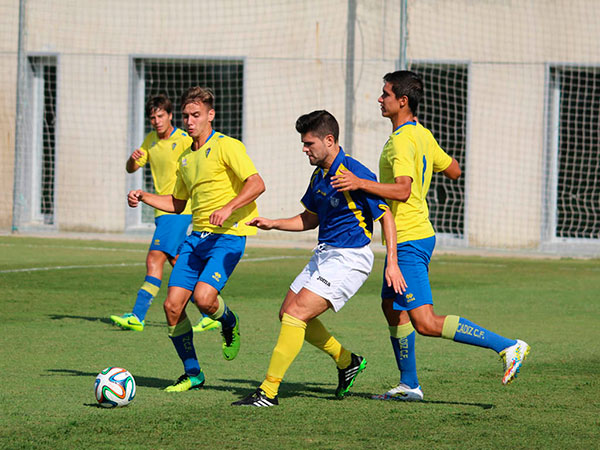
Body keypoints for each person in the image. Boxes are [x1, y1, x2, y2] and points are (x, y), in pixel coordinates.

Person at [331, 70, 530, 401]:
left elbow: (403, 190)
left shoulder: (402, 140)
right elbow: (454, 169)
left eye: (386, 94)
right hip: (416, 233)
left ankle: (508, 347)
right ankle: (409, 384)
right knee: (391, 307)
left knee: (424, 321)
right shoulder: (420, 134)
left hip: (408, 237)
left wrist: (359, 182)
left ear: (402, 101)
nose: (380, 99)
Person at [232, 110, 406, 407]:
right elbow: (309, 219)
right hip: (325, 254)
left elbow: (385, 216)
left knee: (296, 315)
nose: (304, 149)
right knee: (287, 311)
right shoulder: (319, 176)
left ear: (329, 140)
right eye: (303, 143)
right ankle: (347, 361)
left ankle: (268, 392)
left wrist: (392, 262)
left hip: (350, 257)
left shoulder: (353, 171)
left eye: (309, 143)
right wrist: (274, 222)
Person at [127, 86, 266, 391]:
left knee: (204, 299)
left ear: (210, 115)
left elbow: (257, 184)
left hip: (229, 236)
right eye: (187, 115)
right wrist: (144, 196)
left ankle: (229, 322)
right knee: (172, 307)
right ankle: (193, 374)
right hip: (197, 238)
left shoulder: (227, 146)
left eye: (197, 115)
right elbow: (178, 203)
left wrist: (228, 207)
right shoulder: (186, 159)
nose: (190, 121)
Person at [110, 94, 219, 334]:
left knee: (154, 259)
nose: (157, 121)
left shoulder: (183, 139)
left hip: (177, 210)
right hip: (162, 211)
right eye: (152, 118)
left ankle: (137, 316)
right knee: (178, 262)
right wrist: (132, 159)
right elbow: (131, 168)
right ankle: (208, 311)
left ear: (170, 116)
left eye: (161, 116)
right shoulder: (150, 140)